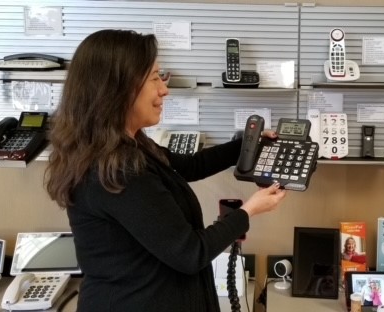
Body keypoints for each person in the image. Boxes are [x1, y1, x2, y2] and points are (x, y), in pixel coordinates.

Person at [44, 29, 287, 312]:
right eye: (154, 78)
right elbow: (190, 252)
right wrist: (250, 210)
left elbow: (190, 166)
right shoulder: (117, 170)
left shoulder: (129, 145)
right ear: (117, 89)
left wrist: (246, 146)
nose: (164, 89)